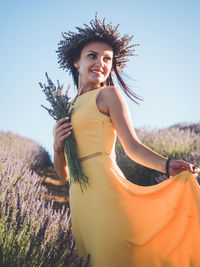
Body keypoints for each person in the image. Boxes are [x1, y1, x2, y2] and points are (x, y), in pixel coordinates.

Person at [53, 14, 200, 267]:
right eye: (92, 56)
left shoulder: (108, 95)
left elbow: (132, 147)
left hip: (108, 196)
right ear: (76, 61)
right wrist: (56, 148)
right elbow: (64, 176)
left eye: (107, 59)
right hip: (80, 205)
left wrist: (166, 165)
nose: (100, 63)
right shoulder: (66, 109)